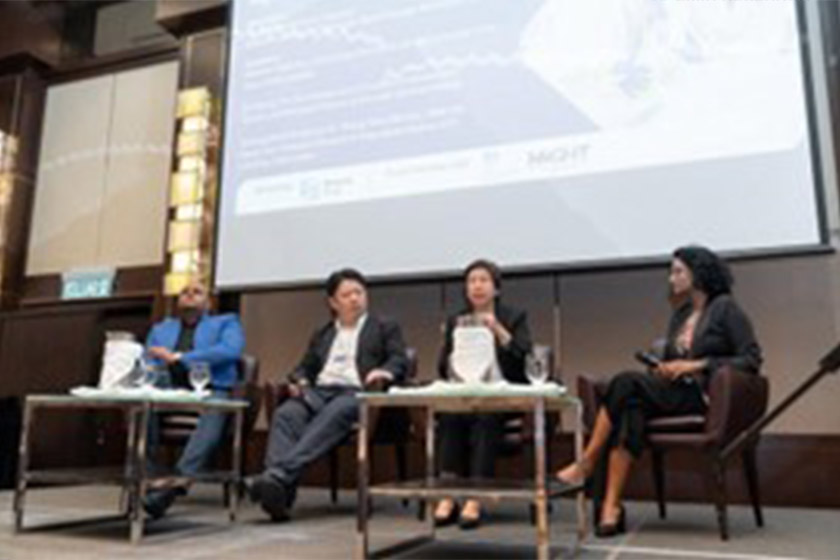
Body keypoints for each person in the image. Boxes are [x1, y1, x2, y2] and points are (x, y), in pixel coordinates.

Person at [555, 245, 762, 537]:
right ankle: (611, 506)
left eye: (678, 271)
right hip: (673, 391)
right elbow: (672, 359)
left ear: (698, 273)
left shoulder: (725, 307)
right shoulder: (681, 313)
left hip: (702, 398)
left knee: (625, 382)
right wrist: (664, 368)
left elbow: (751, 358)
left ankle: (586, 463)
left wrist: (696, 365)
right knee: (630, 408)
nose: (671, 278)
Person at [247, 268, 408, 521]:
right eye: (347, 295)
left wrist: (385, 371)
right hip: (319, 392)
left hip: (355, 394)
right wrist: (299, 380)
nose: (355, 299)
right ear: (333, 302)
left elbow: (400, 359)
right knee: (287, 413)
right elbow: (304, 367)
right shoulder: (323, 333)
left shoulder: (384, 327)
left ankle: (276, 478)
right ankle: (278, 490)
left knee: (338, 410)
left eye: (359, 293)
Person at [433, 259, 533, 530]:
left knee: (487, 418)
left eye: (483, 280)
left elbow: (525, 357)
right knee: (451, 418)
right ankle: (448, 493)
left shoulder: (514, 316)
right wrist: (451, 347)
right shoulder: (457, 320)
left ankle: (476, 496)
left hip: (503, 394)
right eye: (472, 281)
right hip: (467, 394)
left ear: (496, 288)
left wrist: (499, 330)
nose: (477, 286)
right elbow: (443, 368)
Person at [142, 279, 245, 519]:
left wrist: (179, 357)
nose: (189, 295)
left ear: (208, 302)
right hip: (167, 386)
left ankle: (177, 481)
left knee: (214, 409)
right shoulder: (161, 328)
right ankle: (152, 478)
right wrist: (160, 363)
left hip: (210, 387)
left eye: (197, 292)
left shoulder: (226, 322)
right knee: (142, 407)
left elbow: (230, 351)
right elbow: (148, 360)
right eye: (185, 292)